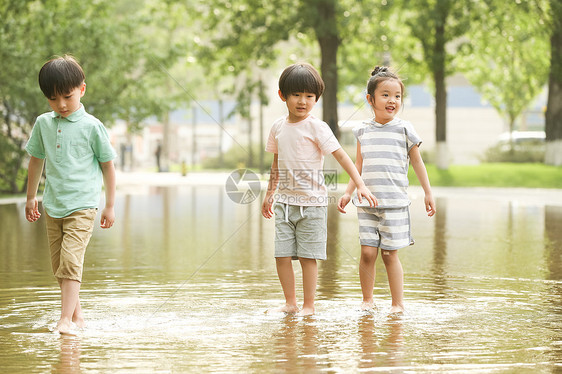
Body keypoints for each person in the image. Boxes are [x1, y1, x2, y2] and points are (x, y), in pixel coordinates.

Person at [262, 62, 376, 316]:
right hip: (284, 203)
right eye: (296, 95)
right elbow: (276, 163)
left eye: (309, 96)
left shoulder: (317, 127)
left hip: (312, 205)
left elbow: (342, 157)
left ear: (316, 98)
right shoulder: (278, 127)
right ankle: (290, 303)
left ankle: (308, 306)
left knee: (306, 257)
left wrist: (360, 184)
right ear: (283, 96)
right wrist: (269, 193)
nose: (303, 101)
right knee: (281, 255)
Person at [24, 55, 117, 334]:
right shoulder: (43, 123)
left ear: (82, 90)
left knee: (70, 262)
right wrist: (31, 197)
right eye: (53, 99)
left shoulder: (92, 126)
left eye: (67, 96)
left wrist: (109, 205)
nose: (61, 105)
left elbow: (108, 167)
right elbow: (36, 161)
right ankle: (77, 317)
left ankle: (64, 320)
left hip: (83, 206)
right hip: (53, 205)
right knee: (59, 266)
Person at [337, 66, 436, 315]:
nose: (392, 100)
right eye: (385, 95)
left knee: (390, 254)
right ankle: (367, 300)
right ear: (370, 99)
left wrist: (428, 192)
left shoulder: (404, 129)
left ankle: (397, 303)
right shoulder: (362, 130)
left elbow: (417, 162)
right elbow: (358, 165)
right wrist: (348, 192)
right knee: (368, 252)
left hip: (394, 202)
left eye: (397, 96)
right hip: (367, 203)